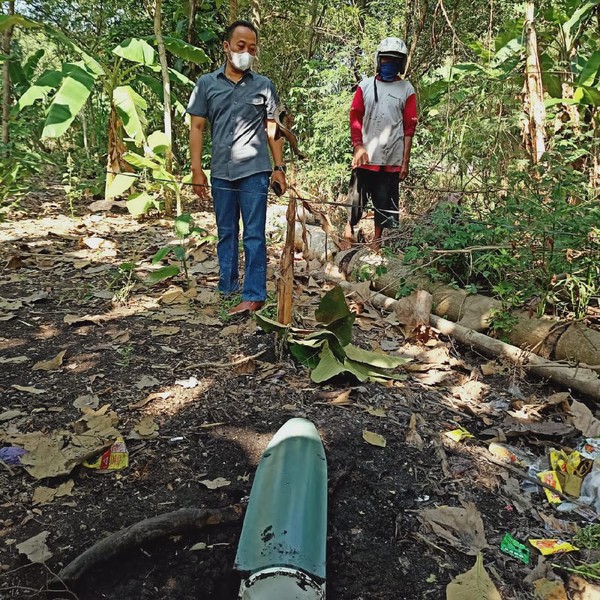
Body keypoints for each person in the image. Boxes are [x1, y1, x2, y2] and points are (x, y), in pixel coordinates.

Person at [187, 20, 287, 315]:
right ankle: (227, 288)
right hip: (220, 172)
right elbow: (197, 125)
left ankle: (254, 294)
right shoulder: (206, 84)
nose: (246, 52)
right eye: (241, 46)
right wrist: (196, 169)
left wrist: (279, 167)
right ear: (226, 46)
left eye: (252, 48)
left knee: (254, 234)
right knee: (226, 231)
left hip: (255, 171)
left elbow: (274, 128)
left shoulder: (263, 86)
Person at [344, 37, 418, 249]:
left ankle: (377, 239)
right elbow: (355, 116)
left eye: (394, 60)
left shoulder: (407, 89)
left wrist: (405, 161)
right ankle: (348, 230)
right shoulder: (365, 86)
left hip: (391, 156)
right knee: (356, 196)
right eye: (385, 59)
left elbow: (409, 127)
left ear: (401, 63)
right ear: (379, 60)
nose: (389, 63)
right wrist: (358, 145)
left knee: (384, 201)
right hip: (366, 153)